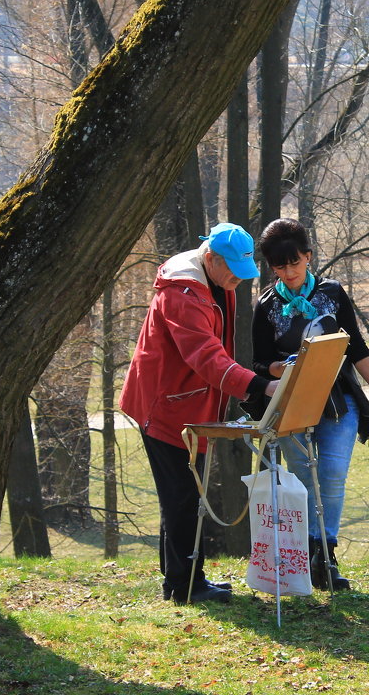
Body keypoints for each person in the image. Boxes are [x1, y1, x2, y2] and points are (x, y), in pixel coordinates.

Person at [120, 222, 279, 604]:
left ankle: (182, 580)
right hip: (165, 405)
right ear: (210, 258)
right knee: (182, 497)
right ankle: (186, 585)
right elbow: (205, 356)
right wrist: (260, 386)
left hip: (185, 402)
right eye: (233, 273)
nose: (237, 282)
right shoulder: (184, 295)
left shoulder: (213, 281)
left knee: (183, 495)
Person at [251, 218, 369, 591]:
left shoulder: (332, 293)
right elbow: (258, 363)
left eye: (294, 263)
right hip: (290, 403)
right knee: (305, 480)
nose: (288, 273)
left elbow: (355, 346)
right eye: (279, 266)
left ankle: (327, 556)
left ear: (308, 256)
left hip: (339, 401)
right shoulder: (266, 305)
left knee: (333, 476)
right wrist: (280, 367)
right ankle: (308, 559)